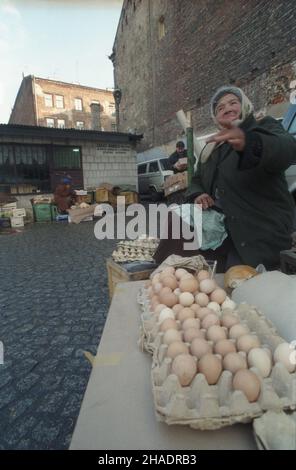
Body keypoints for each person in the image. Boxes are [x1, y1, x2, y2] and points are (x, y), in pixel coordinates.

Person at [154, 85, 296, 271]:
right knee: (178, 230)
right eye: (220, 108)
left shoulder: (263, 127)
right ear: (216, 117)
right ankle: (168, 277)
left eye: (233, 103)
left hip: (257, 231)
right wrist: (199, 194)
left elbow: (285, 149)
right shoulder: (215, 148)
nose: (227, 108)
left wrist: (251, 143)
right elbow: (197, 179)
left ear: (244, 105)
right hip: (224, 228)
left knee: (238, 284)